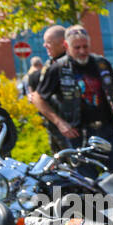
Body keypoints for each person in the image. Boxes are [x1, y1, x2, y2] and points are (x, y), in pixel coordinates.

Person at [32, 24, 113, 172]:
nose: (82, 51)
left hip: (107, 129)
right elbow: (38, 98)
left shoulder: (101, 63)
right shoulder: (58, 68)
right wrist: (60, 123)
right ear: (66, 46)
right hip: (78, 133)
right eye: (77, 48)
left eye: (85, 46)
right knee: (87, 180)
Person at [29, 24, 70, 152]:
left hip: (68, 126)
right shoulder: (49, 64)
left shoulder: (67, 64)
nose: (44, 46)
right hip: (54, 123)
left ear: (63, 43)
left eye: (48, 42)